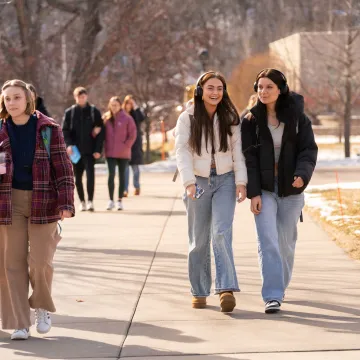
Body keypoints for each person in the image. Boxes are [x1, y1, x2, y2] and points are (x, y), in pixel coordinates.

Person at [0, 79, 75, 340]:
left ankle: (41, 305)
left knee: (40, 261)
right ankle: (20, 323)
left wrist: (66, 202)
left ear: (28, 100)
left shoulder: (48, 129)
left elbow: (64, 167)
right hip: (8, 203)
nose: (11, 102)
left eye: (17, 97)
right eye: (7, 98)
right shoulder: (0, 130)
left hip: (44, 201)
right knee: (12, 264)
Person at [241, 68, 318, 314]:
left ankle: (280, 286)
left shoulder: (297, 118)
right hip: (264, 189)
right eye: (260, 87)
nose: (263, 92)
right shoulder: (250, 120)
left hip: (290, 189)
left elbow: (308, 150)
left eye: (269, 87)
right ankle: (272, 295)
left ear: (280, 89)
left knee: (285, 243)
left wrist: (302, 175)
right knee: (267, 241)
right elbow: (248, 159)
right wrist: (254, 193)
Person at [175, 71, 247, 313]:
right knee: (199, 239)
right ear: (200, 90)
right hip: (198, 181)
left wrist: (241, 181)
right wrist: (188, 182)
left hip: (225, 180)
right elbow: (181, 151)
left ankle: (226, 288)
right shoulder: (188, 118)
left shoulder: (230, 117)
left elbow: (238, 152)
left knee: (221, 232)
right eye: (210, 88)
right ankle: (199, 290)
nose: (215, 92)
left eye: (219, 88)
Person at [62, 87, 104, 212]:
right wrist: (68, 145)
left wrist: (98, 149)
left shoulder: (94, 111)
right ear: (75, 98)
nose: (82, 98)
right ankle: (82, 201)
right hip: (75, 151)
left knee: (90, 176)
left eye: (84, 96)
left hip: (90, 150)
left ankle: (90, 201)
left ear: (87, 97)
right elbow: (65, 130)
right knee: (77, 178)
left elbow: (101, 131)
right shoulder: (70, 112)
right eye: (79, 96)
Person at [103, 96, 137, 210]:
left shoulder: (127, 118)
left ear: (120, 105)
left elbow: (133, 134)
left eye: (116, 105)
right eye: (112, 105)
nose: (114, 107)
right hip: (110, 152)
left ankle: (119, 200)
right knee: (111, 175)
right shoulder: (106, 118)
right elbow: (100, 133)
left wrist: (126, 146)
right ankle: (110, 200)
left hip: (123, 153)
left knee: (122, 176)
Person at [123, 95, 145, 197]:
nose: (129, 105)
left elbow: (141, 118)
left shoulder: (135, 113)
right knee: (125, 167)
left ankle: (136, 187)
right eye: (128, 103)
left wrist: (136, 107)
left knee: (135, 167)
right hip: (124, 142)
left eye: (131, 104)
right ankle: (125, 189)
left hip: (135, 143)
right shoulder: (122, 114)